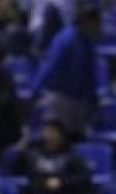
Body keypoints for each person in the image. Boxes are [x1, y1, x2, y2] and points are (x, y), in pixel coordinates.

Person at [31, 2, 101, 139]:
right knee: (63, 137)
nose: (97, 26)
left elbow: (89, 74)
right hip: (62, 98)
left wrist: (92, 100)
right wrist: (36, 89)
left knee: (77, 137)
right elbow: (49, 65)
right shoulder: (66, 39)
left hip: (78, 100)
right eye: (95, 22)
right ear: (85, 21)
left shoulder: (87, 41)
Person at [11, 118, 92, 194]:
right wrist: (20, 150)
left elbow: (84, 178)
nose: (48, 135)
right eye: (46, 131)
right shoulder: (34, 153)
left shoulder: (72, 156)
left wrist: (61, 182)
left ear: (61, 136)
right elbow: (14, 169)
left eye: (52, 132)